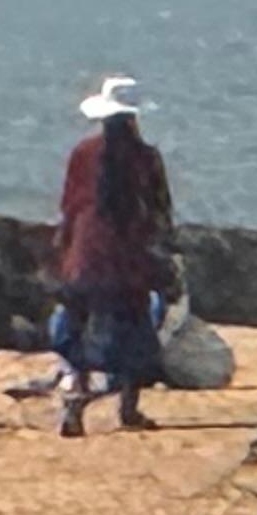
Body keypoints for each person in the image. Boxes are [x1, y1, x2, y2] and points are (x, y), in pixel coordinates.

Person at [48, 76, 175, 436]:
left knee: (76, 328)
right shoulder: (146, 158)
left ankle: (73, 403)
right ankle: (128, 409)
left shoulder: (82, 154)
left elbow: (70, 207)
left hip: (84, 256)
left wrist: (66, 249)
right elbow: (159, 212)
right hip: (126, 262)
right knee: (133, 335)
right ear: (133, 118)